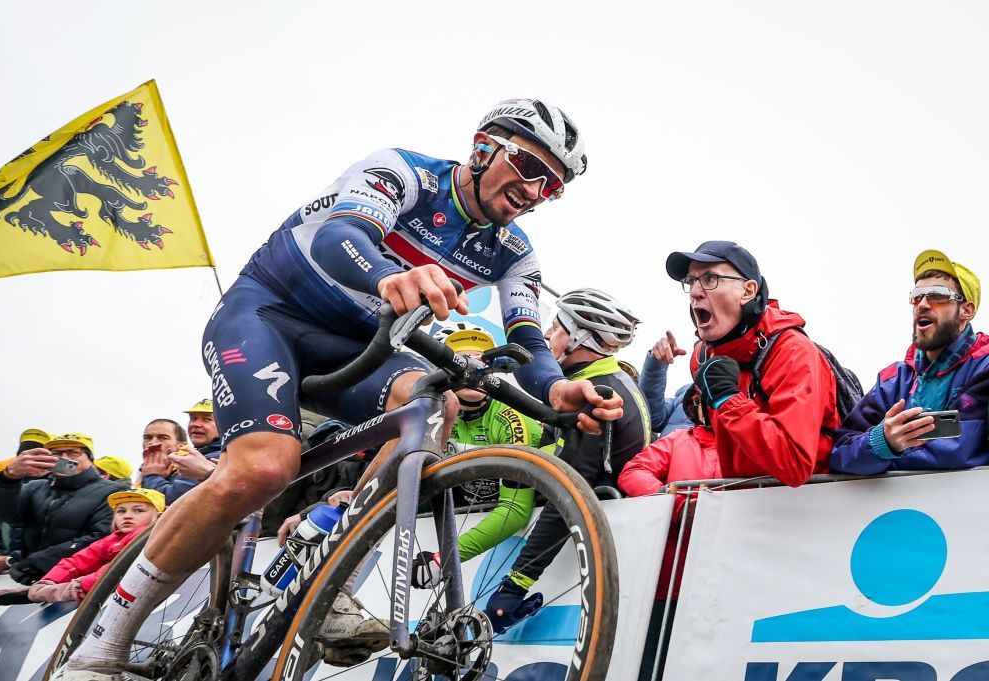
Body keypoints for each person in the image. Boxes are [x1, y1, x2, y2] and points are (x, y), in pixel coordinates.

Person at [56, 98, 622, 679]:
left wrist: (556, 392)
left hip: (357, 344)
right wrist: (387, 275)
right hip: (268, 315)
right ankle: (100, 649)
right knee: (262, 470)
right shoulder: (405, 172)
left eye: (552, 186)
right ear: (483, 147)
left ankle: (337, 579)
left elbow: (528, 341)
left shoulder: (513, 252)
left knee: (435, 404)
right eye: (530, 168)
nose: (536, 191)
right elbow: (338, 237)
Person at [484, 288, 648, 633]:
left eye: (556, 328)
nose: (545, 335)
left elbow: (570, 492)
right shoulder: (606, 380)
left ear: (579, 337)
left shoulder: (599, 392)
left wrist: (516, 583)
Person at [665, 241, 838, 487]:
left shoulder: (793, 352)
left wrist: (728, 399)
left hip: (809, 509)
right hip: (744, 504)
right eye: (691, 281)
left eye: (710, 278)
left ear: (747, 291)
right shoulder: (703, 356)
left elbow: (795, 465)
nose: (695, 292)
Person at [408, 323, 545, 588]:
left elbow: (514, 511)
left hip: (497, 513)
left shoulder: (512, 419)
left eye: (484, 361)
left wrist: (444, 559)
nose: (474, 368)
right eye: (464, 360)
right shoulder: (431, 411)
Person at [830, 250, 989, 475]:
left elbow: (959, 450)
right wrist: (882, 442)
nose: (922, 304)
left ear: (967, 310)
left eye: (936, 295)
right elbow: (838, 453)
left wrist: (884, 455)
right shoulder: (892, 380)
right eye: (917, 296)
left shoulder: (984, 366)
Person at [618, 388, 720, 675]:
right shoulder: (678, 440)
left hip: (728, 584)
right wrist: (676, 505)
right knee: (653, 665)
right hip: (669, 582)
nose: (714, 407)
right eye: (705, 400)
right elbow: (633, 472)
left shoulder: (753, 444)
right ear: (695, 408)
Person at [0, 433, 125, 583]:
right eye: (56, 453)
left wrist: (37, 562)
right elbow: (2, 512)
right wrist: (9, 477)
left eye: (73, 453)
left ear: (90, 459)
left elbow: (102, 537)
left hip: (78, 580)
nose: (64, 458)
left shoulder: (113, 491)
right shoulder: (35, 487)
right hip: (30, 578)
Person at [0, 488, 165, 605]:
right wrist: (49, 581)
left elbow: (116, 570)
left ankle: (33, 594)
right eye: (121, 511)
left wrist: (74, 587)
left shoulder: (148, 536)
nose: (127, 516)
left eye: (138, 510)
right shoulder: (112, 538)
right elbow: (76, 561)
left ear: (158, 516)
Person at [140, 402, 221, 505]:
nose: (195, 424)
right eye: (193, 418)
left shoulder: (217, 458)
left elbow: (176, 499)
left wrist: (151, 476)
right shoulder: (190, 458)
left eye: (207, 419)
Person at [640, 331, 694, 436]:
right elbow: (652, 419)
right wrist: (656, 364)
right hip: (659, 452)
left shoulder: (733, 398)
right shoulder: (687, 394)